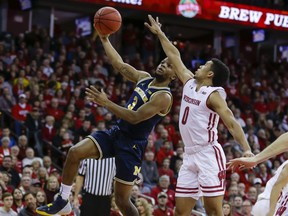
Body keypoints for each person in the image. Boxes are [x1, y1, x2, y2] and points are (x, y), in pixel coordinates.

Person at [36, 26, 176, 216]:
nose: (162, 65)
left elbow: (134, 117)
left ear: (173, 75)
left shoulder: (164, 97)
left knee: (121, 201)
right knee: (74, 152)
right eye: (163, 62)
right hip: (116, 133)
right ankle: (62, 200)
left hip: (132, 145)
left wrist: (105, 102)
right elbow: (119, 64)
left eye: (168, 65)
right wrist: (104, 39)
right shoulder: (144, 78)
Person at [145, 15, 253, 216]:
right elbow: (174, 55)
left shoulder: (213, 95)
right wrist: (160, 34)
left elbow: (231, 122)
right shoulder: (188, 82)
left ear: (210, 75)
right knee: (180, 211)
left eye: (204, 66)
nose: (199, 66)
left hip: (208, 154)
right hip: (189, 154)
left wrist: (247, 150)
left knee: (213, 211)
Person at [228, 132, 288, 216]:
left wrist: (256, 159)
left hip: (268, 204)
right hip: (271, 204)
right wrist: (255, 159)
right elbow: (277, 185)